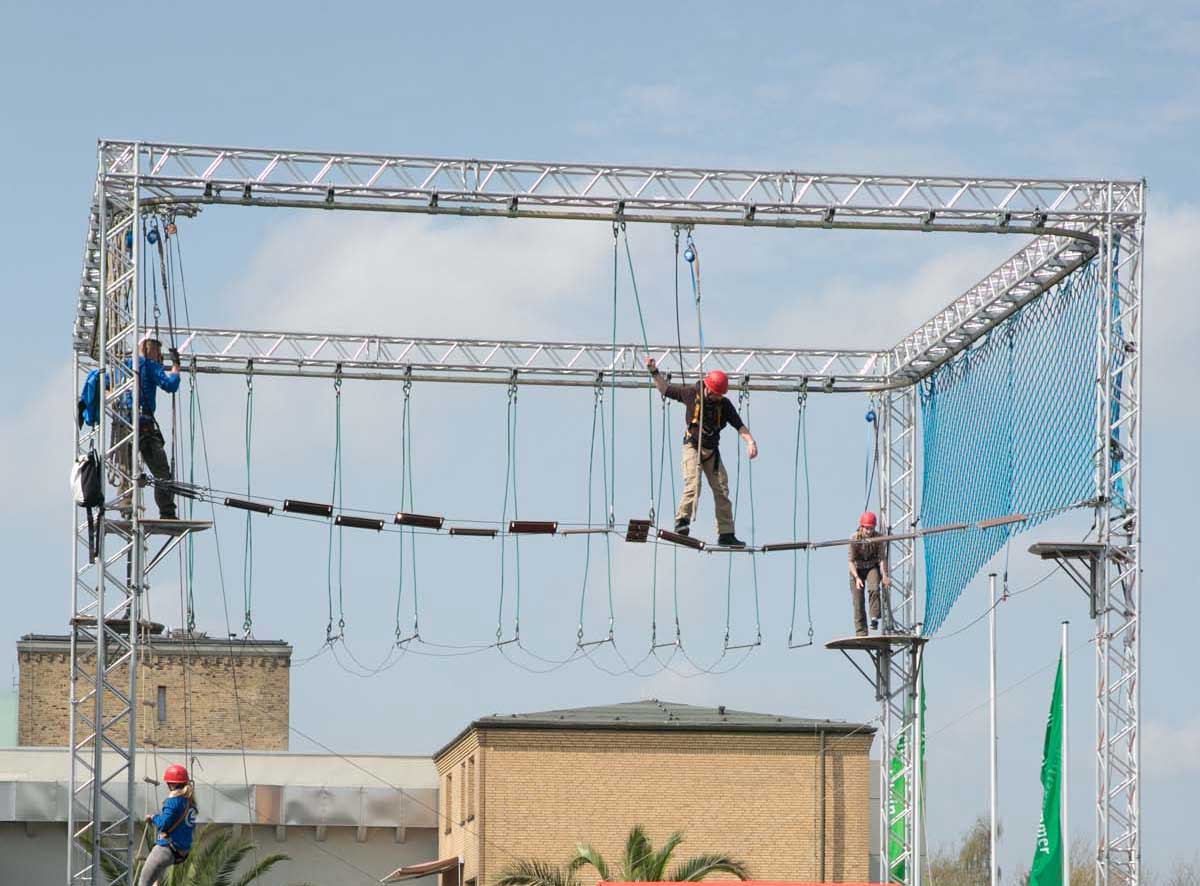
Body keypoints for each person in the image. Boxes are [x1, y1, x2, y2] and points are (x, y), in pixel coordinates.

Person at [645, 358, 758, 547]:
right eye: (716, 395)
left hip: (711, 452)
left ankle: (726, 534)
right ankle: (682, 523)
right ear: (709, 389)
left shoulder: (724, 404)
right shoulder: (691, 394)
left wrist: (751, 442)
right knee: (693, 485)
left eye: (720, 395)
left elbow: (740, 426)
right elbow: (665, 389)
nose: (718, 398)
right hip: (692, 447)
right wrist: (654, 372)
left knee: (722, 489)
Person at [115, 334, 181, 519]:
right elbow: (170, 385)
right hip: (144, 425)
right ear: (148, 349)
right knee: (161, 471)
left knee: (126, 470)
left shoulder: (123, 366)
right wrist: (176, 368)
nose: (159, 357)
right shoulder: (149, 365)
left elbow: (106, 386)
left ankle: (126, 507)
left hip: (123, 423)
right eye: (157, 352)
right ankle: (167, 511)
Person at [139, 763, 196, 886]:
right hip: (182, 851)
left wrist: (153, 818)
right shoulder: (190, 803)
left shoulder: (173, 801)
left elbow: (163, 824)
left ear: (172, 784)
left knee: (143, 882)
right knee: (156, 880)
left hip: (166, 849)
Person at [848, 510, 891, 637]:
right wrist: (856, 578)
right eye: (866, 528)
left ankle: (874, 617)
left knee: (874, 589)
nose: (869, 531)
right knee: (858, 600)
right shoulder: (854, 538)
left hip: (872, 566)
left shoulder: (877, 538)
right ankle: (861, 631)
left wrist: (884, 576)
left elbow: (882, 559)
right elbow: (850, 561)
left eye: (871, 528)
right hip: (857, 569)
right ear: (861, 527)